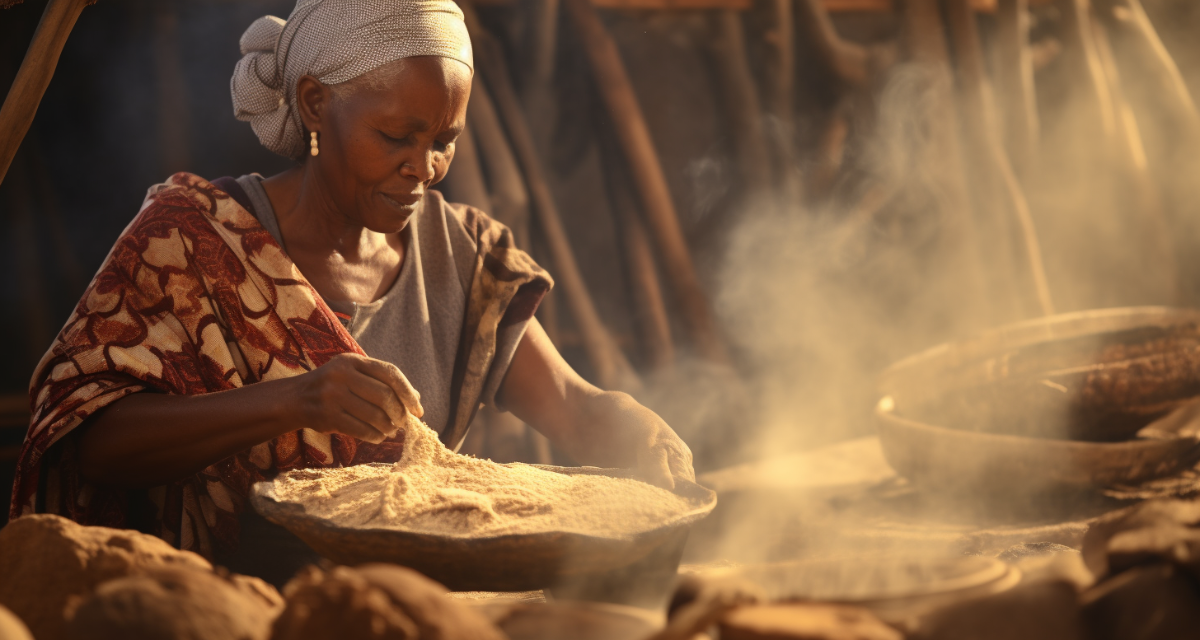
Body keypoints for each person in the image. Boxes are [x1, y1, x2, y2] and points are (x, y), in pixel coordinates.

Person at [9, 0, 693, 570]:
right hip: (235, 613)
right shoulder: (190, 242)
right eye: (396, 135)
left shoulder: (463, 257)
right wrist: (294, 400)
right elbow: (88, 443)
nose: (423, 168)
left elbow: (572, 405)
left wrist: (631, 430)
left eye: (443, 140)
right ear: (313, 103)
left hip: (415, 607)